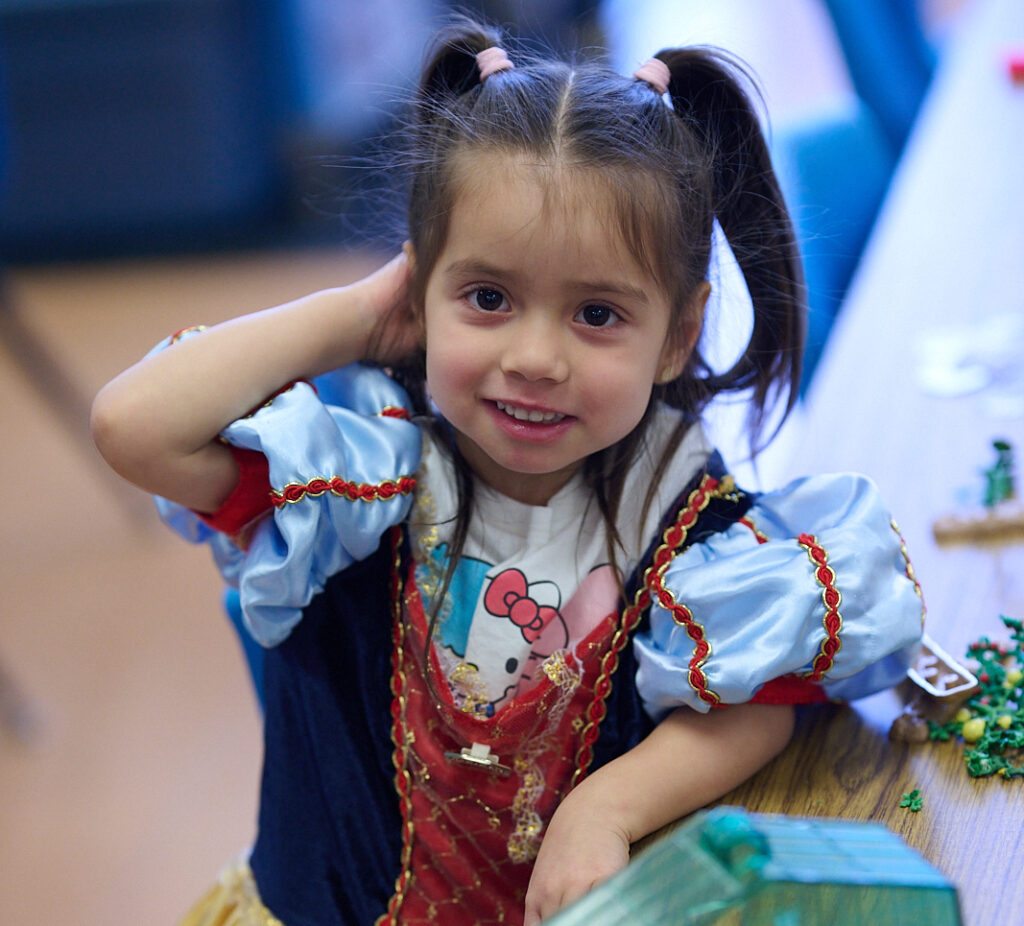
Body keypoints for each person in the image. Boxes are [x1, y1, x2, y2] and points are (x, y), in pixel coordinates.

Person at [91, 17, 924, 926]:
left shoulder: (690, 524)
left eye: (597, 313)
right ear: (418, 290)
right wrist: (360, 314)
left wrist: (603, 809)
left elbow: (758, 702)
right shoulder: (353, 484)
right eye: (488, 297)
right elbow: (135, 426)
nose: (534, 357)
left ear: (681, 333)